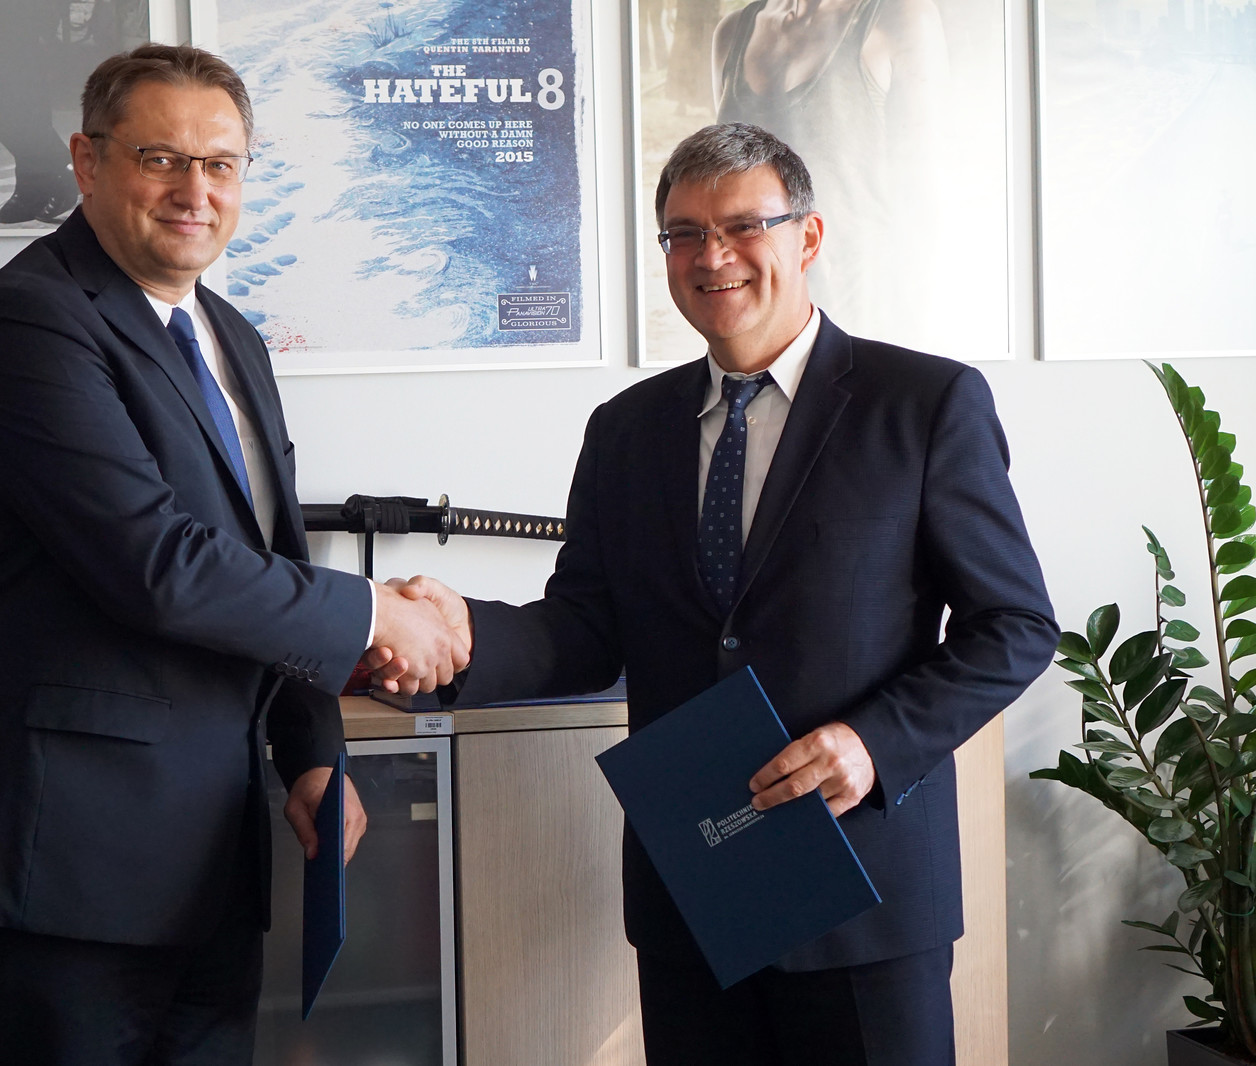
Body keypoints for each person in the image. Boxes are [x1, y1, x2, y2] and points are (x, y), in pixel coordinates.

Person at [379, 124, 1058, 1064]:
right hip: (694, 894)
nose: (713, 256)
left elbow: (1014, 625)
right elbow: (586, 628)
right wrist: (464, 634)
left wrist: (874, 743)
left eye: (744, 226)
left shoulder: (924, 402)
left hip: (863, 894)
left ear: (807, 237)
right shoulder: (624, 430)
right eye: (685, 234)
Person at [0, 43, 464, 1066]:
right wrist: (377, 614)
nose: (194, 191)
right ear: (86, 161)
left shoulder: (230, 336)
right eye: (160, 159)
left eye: (220, 164)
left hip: (209, 866)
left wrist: (310, 753)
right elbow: (157, 565)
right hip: (60, 876)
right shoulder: (24, 324)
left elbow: (265, 552)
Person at [711, 0, 948, 340]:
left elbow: (924, 195)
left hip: (862, 315)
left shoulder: (898, 16)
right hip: (758, 325)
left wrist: (914, 343)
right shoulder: (732, 33)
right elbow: (726, 193)